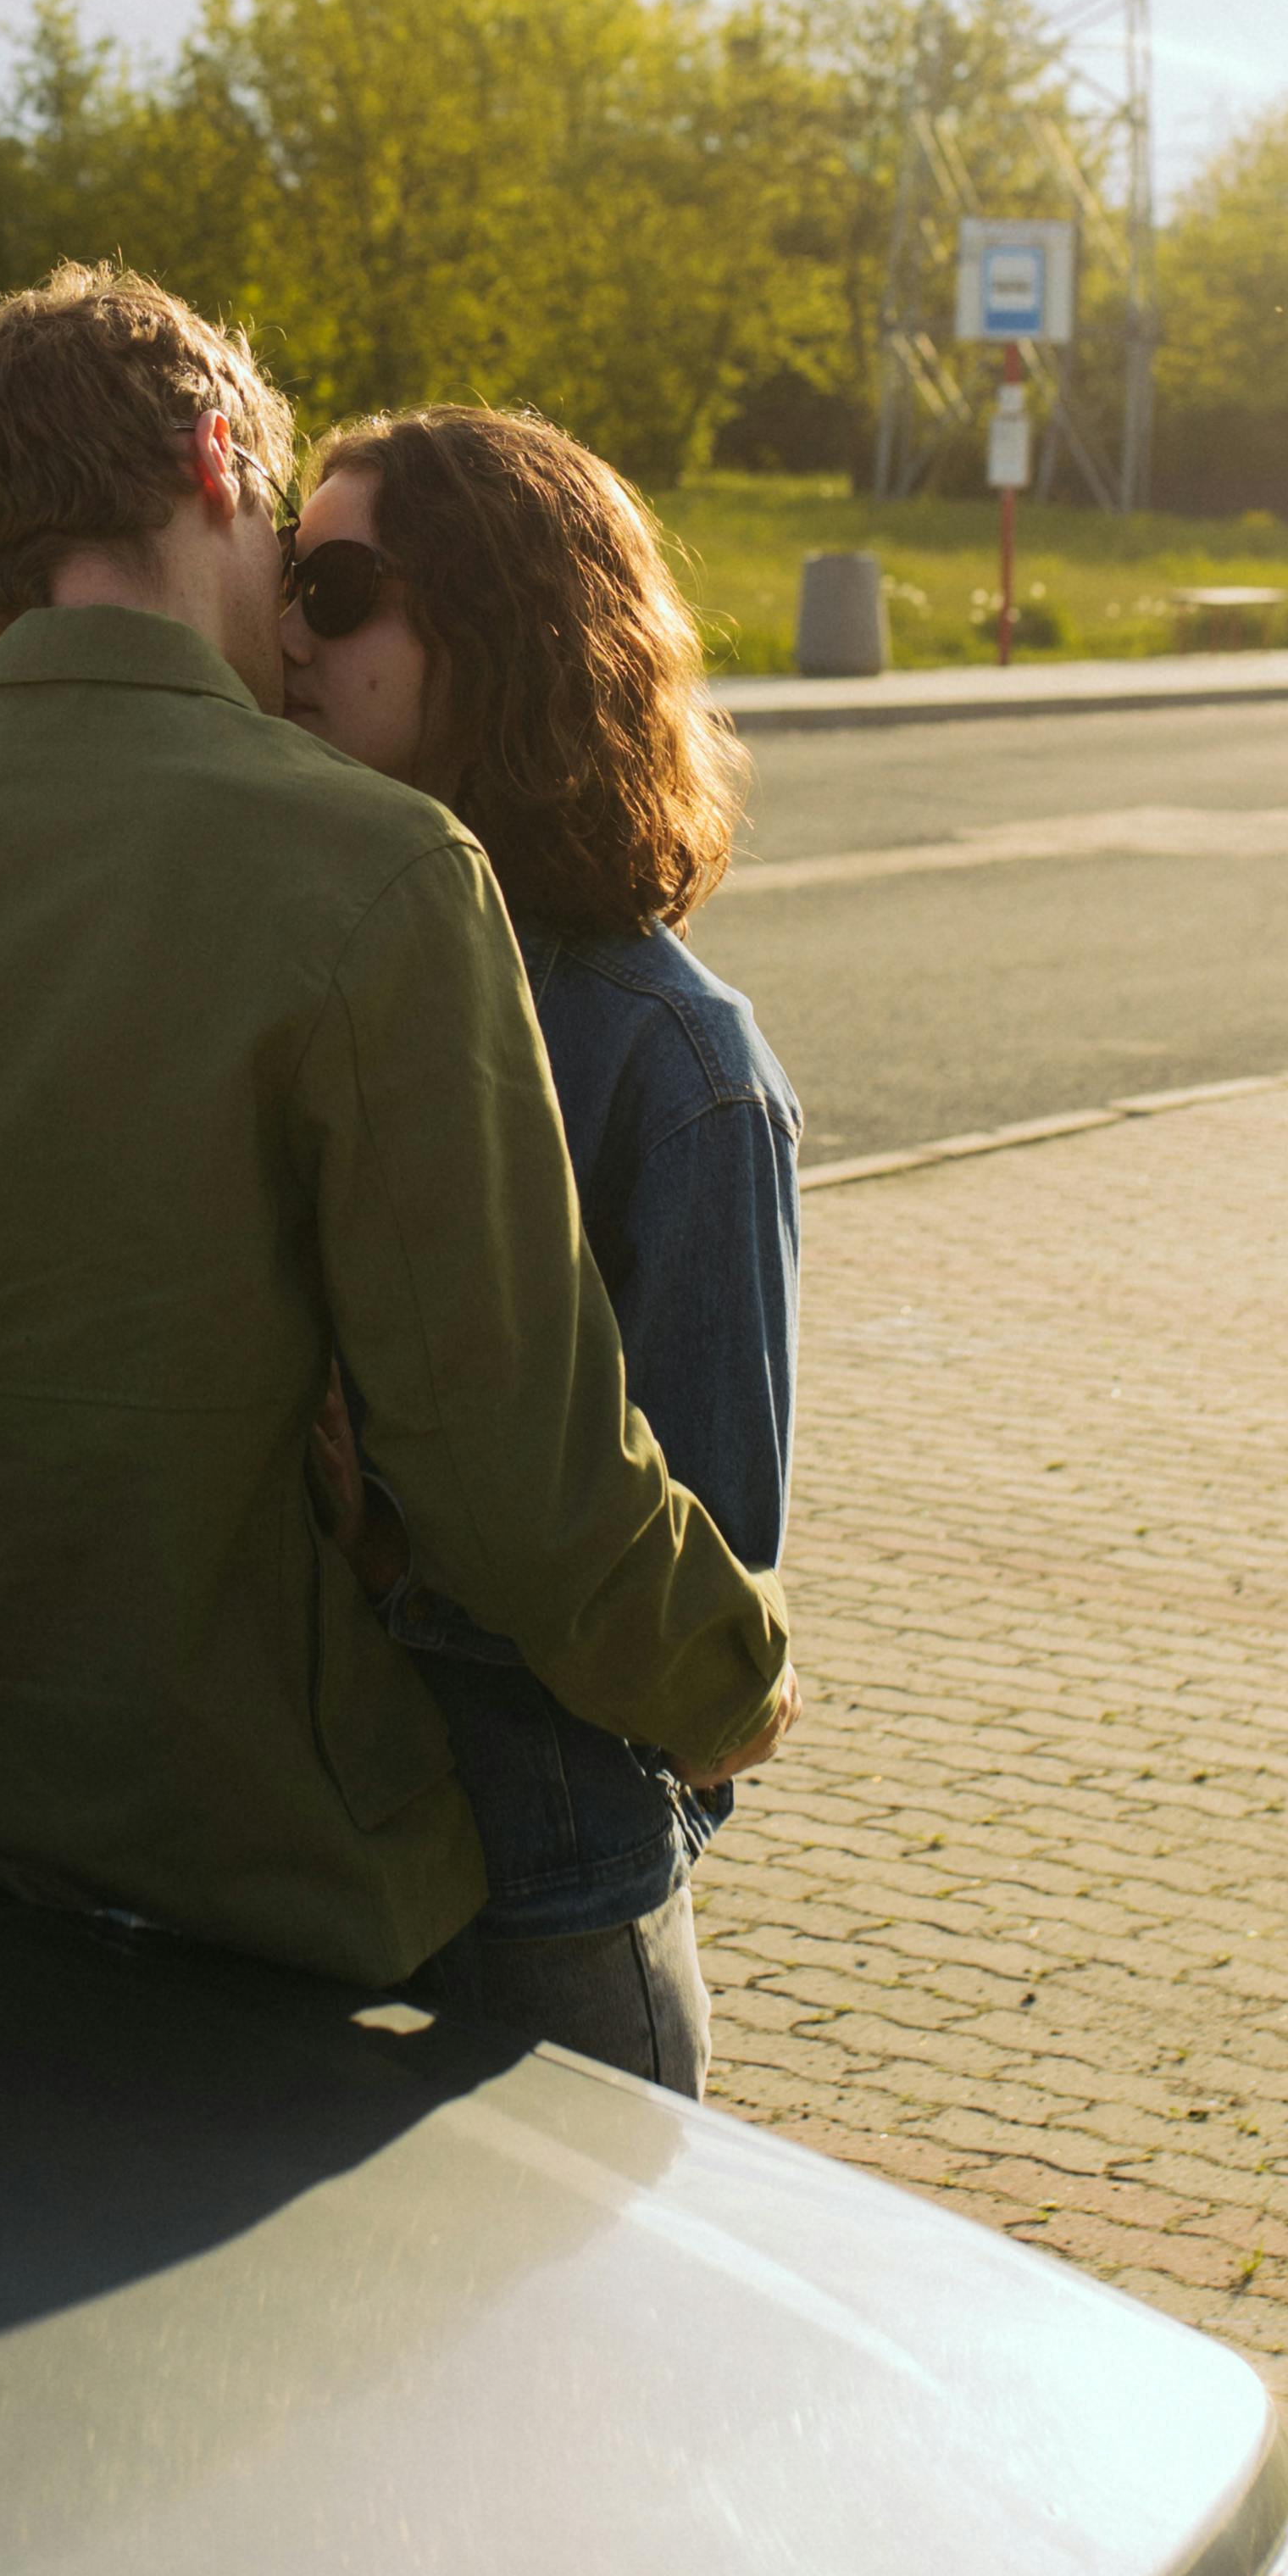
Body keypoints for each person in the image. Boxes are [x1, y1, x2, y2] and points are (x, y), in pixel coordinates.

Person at [0, 262, 793, 2019]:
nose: (302, 622)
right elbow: (514, 1469)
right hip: (250, 1877)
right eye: (291, 552)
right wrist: (732, 1687)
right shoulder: (370, 870)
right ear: (209, 465)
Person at [277, 406, 798, 2101]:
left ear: (497, 636)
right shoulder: (302, 966)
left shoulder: (680, 1075)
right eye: (283, 578)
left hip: (538, 1915)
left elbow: (707, 1580)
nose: (283, 630)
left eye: (337, 591)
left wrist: (393, 1536)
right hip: (293, 1861)